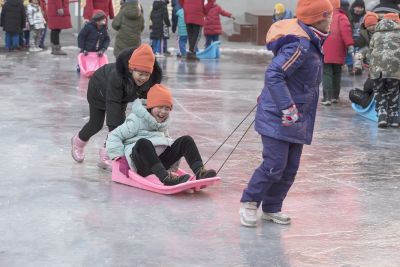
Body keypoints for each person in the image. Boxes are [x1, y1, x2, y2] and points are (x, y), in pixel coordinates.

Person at [239, 0, 333, 227]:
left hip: (297, 117)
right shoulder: (300, 45)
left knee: (289, 169)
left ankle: (272, 208)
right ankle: (250, 202)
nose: (332, 20)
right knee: (274, 165)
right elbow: (274, 74)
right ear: (318, 18)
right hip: (279, 115)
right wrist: (287, 107)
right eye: (328, 15)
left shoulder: (313, 41)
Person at [71, 44, 162, 171]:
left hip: (121, 96)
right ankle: (79, 142)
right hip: (99, 90)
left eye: (147, 74)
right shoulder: (117, 77)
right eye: (140, 74)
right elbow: (113, 110)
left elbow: (149, 104)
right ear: (131, 70)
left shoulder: (149, 81)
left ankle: (107, 150)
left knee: (122, 125)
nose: (143, 78)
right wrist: (116, 137)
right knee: (97, 124)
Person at [106, 84, 217, 186]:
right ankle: (165, 178)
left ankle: (200, 172)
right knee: (143, 142)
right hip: (141, 163)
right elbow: (113, 136)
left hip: (158, 164)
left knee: (186, 140)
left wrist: (171, 168)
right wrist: (120, 159)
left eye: (167, 108)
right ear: (150, 107)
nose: (163, 112)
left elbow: (166, 143)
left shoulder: (162, 124)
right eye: (159, 107)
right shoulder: (136, 121)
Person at [369, 13, 400, 128]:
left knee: (379, 90)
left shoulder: (375, 35)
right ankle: (394, 117)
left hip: (377, 69)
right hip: (394, 69)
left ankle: (382, 115)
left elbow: (370, 52)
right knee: (393, 92)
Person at [321, 0, 354, 105]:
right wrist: (349, 44)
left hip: (325, 48)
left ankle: (327, 97)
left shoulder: (324, 15)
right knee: (337, 72)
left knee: (326, 73)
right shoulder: (342, 16)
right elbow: (346, 31)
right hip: (339, 49)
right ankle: (335, 96)